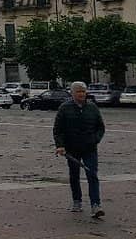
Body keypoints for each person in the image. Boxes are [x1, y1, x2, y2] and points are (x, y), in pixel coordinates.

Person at [53, 81, 105, 218]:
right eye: (79, 91)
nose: (82, 94)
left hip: (90, 148)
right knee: (74, 176)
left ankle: (96, 204)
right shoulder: (64, 108)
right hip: (72, 149)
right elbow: (58, 130)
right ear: (72, 93)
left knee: (92, 175)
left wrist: (95, 139)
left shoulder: (92, 107)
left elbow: (101, 127)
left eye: (83, 91)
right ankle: (77, 201)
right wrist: (60, 145)